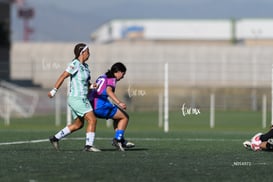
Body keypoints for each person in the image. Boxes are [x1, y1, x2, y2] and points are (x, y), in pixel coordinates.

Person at [48, 43, 100, 152]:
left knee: (78, 124)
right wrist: (54, 90)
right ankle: (88, 146)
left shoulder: (85, 67)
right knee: (92, 120)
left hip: (81, 98)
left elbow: (84, 82)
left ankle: (55, 138)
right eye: (88, 51)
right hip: (77, 98)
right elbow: (63, 75)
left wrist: (91, 86)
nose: (89, 54)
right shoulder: (74, 64)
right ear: (82, 53)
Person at [88, 62, 135, 151]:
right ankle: (117, 140)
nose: (123, 77)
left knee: (117, 118)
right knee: (125, 117)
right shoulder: (112, 79)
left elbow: (92, 89)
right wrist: (119, 103)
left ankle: (120, 139)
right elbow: (109, 91)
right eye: (123, 74)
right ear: (119, 72)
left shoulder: (102, 77)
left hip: (92, 105)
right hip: (101, 106)